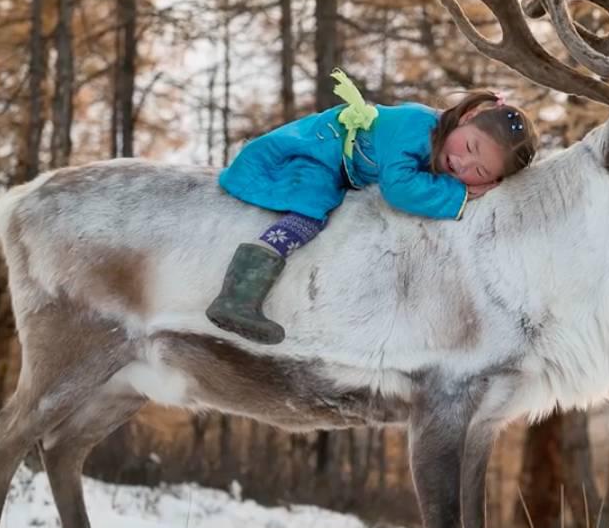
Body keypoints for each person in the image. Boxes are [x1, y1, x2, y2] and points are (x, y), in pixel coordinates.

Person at [208, 70, 539, 344]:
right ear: (468, 117)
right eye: (469, 146)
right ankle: (237, 296)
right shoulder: (417, 125)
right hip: (323, 148)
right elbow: (399, 187)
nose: (462, 163)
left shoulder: (444, 144)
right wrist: (462, 194)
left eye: (478, 171)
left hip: (341, 161)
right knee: (312, 208)